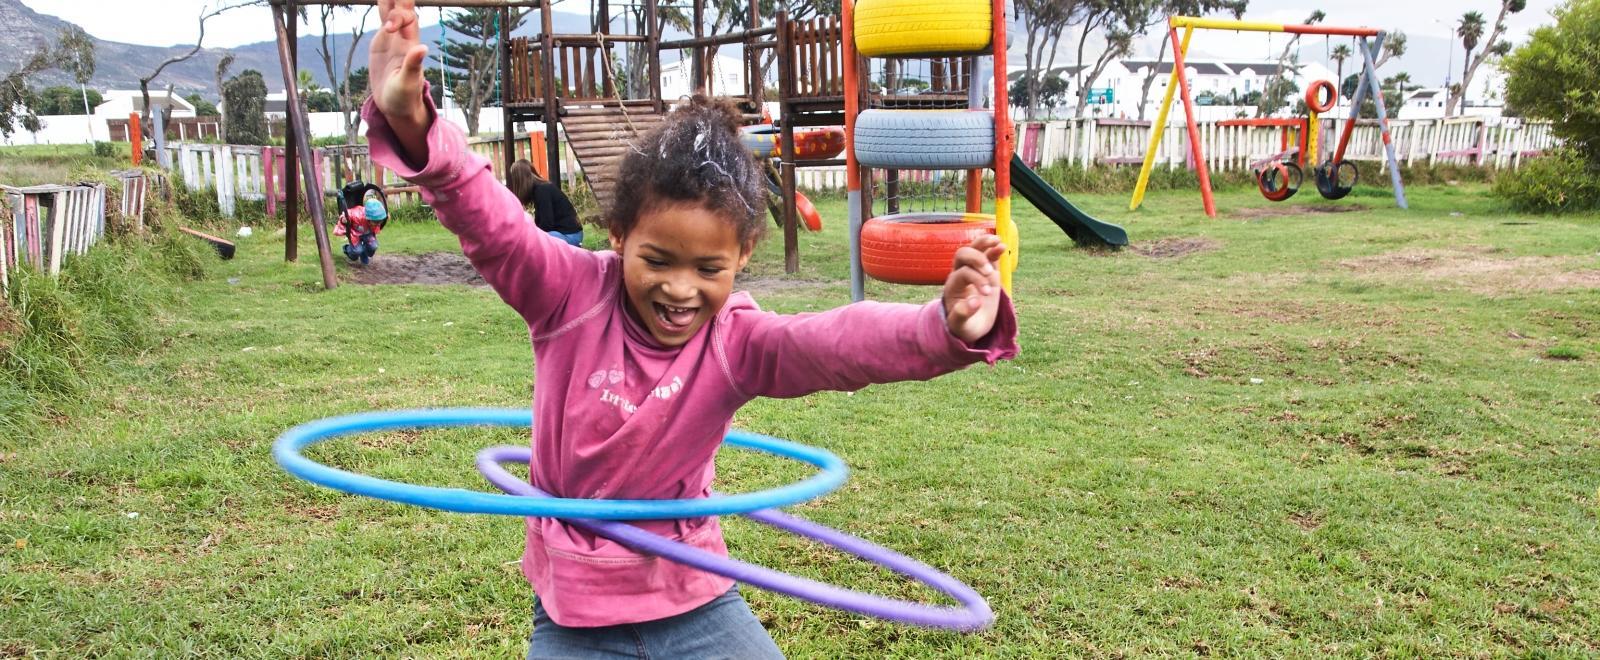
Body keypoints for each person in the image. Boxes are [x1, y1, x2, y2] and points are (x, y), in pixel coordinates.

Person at [364, 1, 1017, 656]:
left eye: (708, 268)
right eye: (656, 259)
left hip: (695, 594)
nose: (679, 289)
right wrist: (411, 119)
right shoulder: (566, 294)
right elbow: (490, 221)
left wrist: (944, 327)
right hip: (573, 614)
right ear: (619, 237)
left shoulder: (735, 343)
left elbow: (836, 344)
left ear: (742, 258)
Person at [507, 158, 584, 247]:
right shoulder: (539, 189)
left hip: (571, 236)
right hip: (565, 234)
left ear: (519, 180)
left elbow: (546, 224)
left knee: (534, 240)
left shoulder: (542, 191)